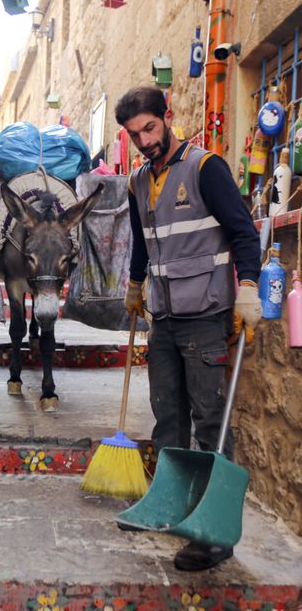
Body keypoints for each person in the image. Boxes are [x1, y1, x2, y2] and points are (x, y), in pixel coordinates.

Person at [116, 87, 262, 571]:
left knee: (209, 421)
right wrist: (136, 284)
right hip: (165, 319)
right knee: (167, 417)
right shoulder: (139, 180)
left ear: (167, 118)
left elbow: (243, 230)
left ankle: (214, 533)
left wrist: (248, 287)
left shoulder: (205, 168)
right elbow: (143, 241)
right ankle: (172, 507)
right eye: (135, 135)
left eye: (150, 129)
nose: (145, 141)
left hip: (205, 318)